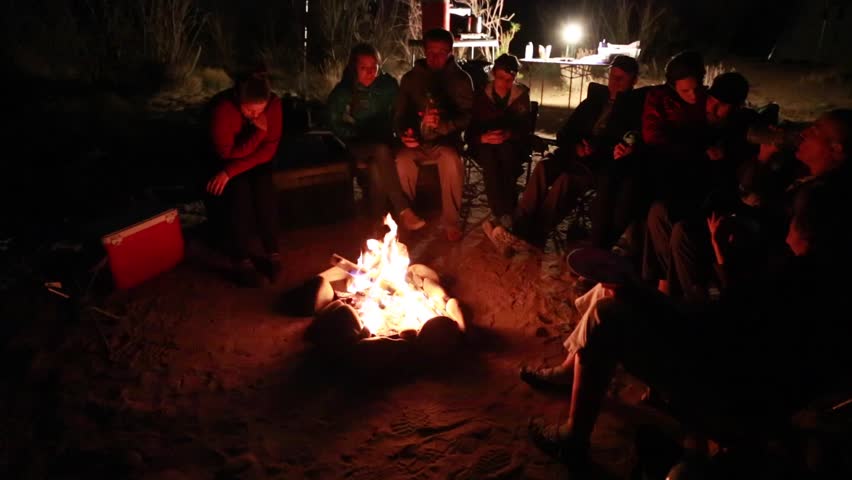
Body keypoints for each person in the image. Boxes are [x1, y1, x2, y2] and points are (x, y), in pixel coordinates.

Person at [521, 110, 852, 465]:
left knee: (607, 313)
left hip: (732, 384)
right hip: (729, 346)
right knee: (611, 288)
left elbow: (722, 320)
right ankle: (571, 369)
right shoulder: (811, 223)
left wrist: (709, 266)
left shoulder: (801, 273)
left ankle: (574, 438)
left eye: (815, 131)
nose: (805, 133)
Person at [484, 55, 641, 251]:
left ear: (634, 80)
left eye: (621, 79)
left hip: (598, 165)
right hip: (571, 153)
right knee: (542, 168)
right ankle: (518, 227)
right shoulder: (593, 101)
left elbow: (629, 142)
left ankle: (536, 234)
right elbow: (565, 132)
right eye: (612, 77)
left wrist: (600, 150)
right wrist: (575, 146)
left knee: (565, 181)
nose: (614, 83)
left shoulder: (634, 109)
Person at [643, 72, 755, 299]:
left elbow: (733, 185)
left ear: (737, 107)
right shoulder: (700, 124)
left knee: (681, 229)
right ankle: (664, 285)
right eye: (712, 100)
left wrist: (723, 159)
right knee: (657, 210)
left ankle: (686, 298)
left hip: (719, 208)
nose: (713, 108)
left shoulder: (742, 134)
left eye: (722, 105)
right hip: (692, 197)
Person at [393, 28, 474, 241]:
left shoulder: (461, 80)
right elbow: (399, 115)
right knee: (402, 160)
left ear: (450, 52)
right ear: (424, 50)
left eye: (441, 52)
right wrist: (404, 134)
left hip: (445, 142)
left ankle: (451, 221)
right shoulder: (411, 79)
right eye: (430, 51)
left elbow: (467, 116)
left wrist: (443, 125)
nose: (435, 57)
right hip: (417, 143)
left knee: (451, 160)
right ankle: (407, 217)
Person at [207, 69, 283, 287]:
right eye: (250, 110)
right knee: (238, 191)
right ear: (239, 99)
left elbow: (268, 151)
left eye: (260, 111)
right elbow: (226, 153)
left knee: (263, 186)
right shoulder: (223, 110)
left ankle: (273, 252)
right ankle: (241, 258)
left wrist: (233, 168)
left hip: (252, 161)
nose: (255, 116)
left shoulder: (274, 105)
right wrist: (258, 134)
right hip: (224, 162)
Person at [327, 44, 412, 221]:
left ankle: (377, 225)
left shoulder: (387, 86)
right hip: (359, 144)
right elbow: (333, 121)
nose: (369, 72)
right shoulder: (345, 91)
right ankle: (403, 208)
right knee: (380, 151)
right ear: (354, 68)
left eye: (374, 67)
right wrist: (355, 132)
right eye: (363, 68)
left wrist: (403, 131)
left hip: (384, 141)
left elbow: (400, 113)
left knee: (376, 166)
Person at [467, 53, 531, 229]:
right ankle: (502, 212)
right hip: (484, 146)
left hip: (511, 146)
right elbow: (470, 129)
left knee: (505, 154)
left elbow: (525, 130)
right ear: (494, 73)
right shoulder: (481, 96)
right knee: (490, 157)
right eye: (501, 78)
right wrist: (483, 137)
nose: (505, 83)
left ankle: (505, 211)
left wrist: (509, 134)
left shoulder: (520, 97)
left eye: (510, 79)